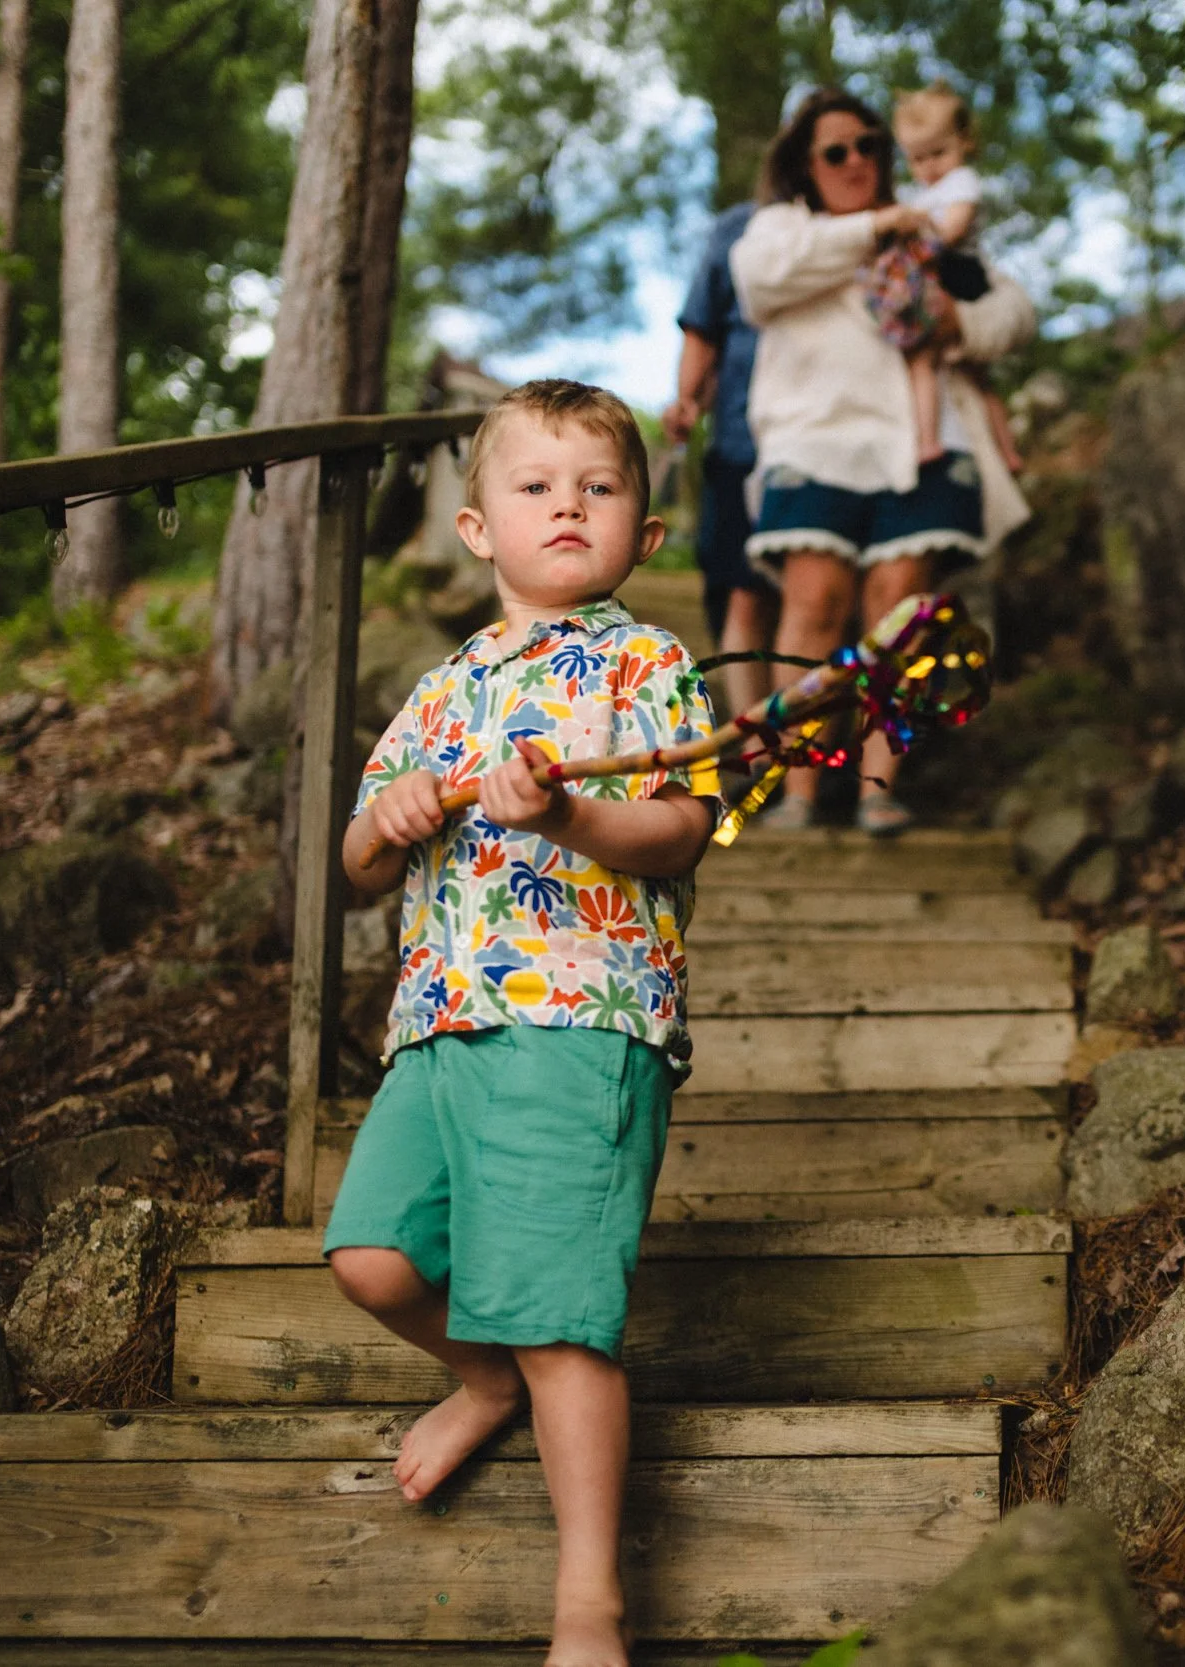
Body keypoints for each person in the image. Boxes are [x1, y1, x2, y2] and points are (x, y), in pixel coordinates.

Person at [327, 378, 719, 1667]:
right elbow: (356, 857)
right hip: (439, 1021)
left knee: (556, 1312)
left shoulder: (648, 664)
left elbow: (677, 830)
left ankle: (588, 1602)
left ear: (643, 535)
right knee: (373, 1257)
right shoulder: (441, 688)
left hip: (580, 1015)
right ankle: (483, 1379)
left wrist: (564, 815)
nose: (568, 506)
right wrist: (381, 827)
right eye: (536, 486)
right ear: (476, 527)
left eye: (599, 488)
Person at [732, 86, 1033, 833]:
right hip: (813, 443)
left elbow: (1014, 312)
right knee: (812, 607)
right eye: (837, 150)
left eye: (870, 144)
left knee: (898, 618)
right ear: (807, 163)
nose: (858, 159)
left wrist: (951, 315)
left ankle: (876, 789)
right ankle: (797, 792)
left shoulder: (929, 227)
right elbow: (759, 280)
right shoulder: (784, 229)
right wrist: (874, 230)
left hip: (920, 450)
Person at [664, 196, 777, 725]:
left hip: (839, 447)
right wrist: (687, 397)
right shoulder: (739, 226)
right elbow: (703, 326)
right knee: (738, 588)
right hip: (741, 441)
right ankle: (755, 748)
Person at [877, 82, 1024, 472]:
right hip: (939, 271)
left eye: (938, 152)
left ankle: (936, 443)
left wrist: (919, 229)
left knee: (925, 358)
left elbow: (954, 230)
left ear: (964, 142)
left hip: (958, 271)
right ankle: (994, 452)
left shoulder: (962, 182)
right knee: (965, 374)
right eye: (918, 158)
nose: (929, 166)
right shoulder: (922, 192)